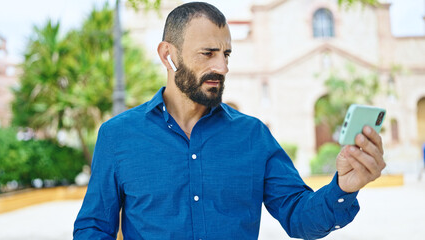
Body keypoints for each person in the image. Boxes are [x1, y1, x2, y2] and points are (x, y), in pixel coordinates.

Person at [73, 2, 386, 239]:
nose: (222, 66)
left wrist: (344, 187)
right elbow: (93, 227)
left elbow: (299, 216)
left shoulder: (253, 135)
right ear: (168, 55)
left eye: (227, 54)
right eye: (208, 53)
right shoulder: (118, 136)